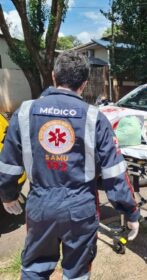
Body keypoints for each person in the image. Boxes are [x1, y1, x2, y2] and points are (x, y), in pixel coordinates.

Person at [0, 50, 139, 280]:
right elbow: (114, 173)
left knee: (35, 268)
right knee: (77, 272)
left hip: (40, 205)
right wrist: (130, 211)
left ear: (53, 77)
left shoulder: (24, 112)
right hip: (80, 207)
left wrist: (8, 195)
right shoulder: (95, 118)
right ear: (84, 84)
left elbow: (8, 164)